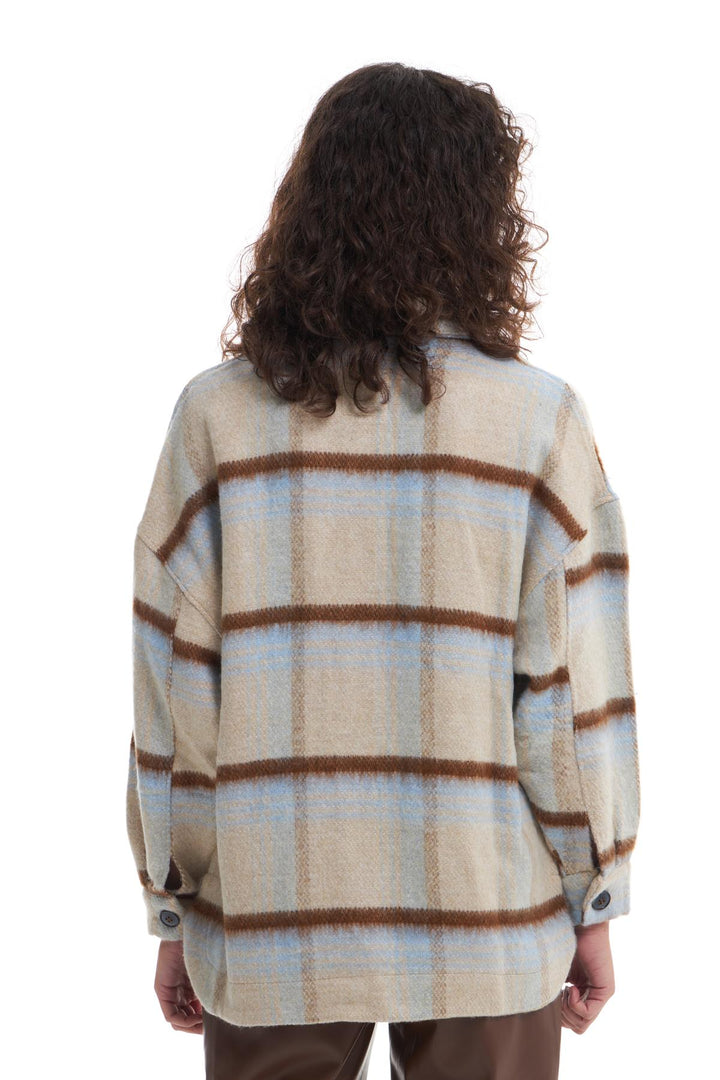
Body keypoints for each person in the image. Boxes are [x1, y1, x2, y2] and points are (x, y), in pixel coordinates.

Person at [126, 62, 641, 1080]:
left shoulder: (217, 418)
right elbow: (571, 702)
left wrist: (173, 903)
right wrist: (594, 897)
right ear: (481, 217)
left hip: (273, 923)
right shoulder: (537, 420)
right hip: (488, 921)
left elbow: (177, 695)